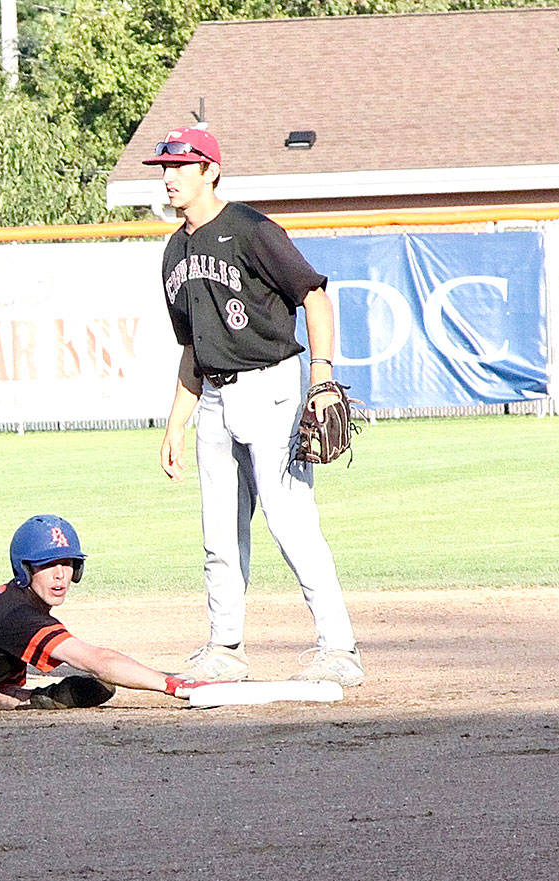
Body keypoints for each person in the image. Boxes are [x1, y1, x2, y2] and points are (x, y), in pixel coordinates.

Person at [143, 126, 363, 686]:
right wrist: (175, 421)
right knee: (218, 530)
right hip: (213, 396)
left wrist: (321, 378)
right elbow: (192, 346)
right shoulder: (174, 251)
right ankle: (225, 646)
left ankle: (339, 647)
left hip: (272, 388)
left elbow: (314, 296)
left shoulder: (251, 229)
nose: (168, 177)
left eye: (180, 167)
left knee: (290, 521)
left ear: (210, 171)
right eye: (164, 168)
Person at [0, 514, 197, 713]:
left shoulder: (16, 601)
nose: (60, 574)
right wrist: (170, 684)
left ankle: (38, 699)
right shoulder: (19, 616)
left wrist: (34, 700)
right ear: (25, 569)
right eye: (48, 565)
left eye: (68, 563)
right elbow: (97, 661)